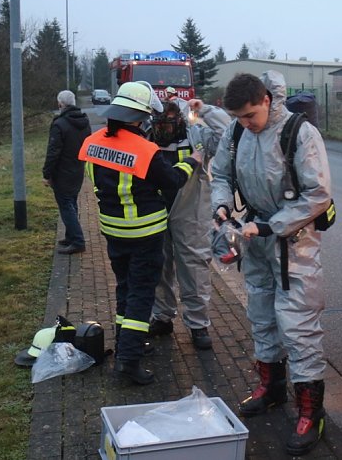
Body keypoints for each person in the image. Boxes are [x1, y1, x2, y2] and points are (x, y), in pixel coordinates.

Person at [210, 71, 332, 456]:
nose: (245, 124)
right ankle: (272, 387)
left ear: (265, 100)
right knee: (261, 314)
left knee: (298, 327)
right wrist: (221, 204)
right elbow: (220, 172)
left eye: (249, 115)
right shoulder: (235, 132)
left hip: (294, 242)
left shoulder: (300, 133)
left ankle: (312, 412)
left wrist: (270, 225)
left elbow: (319, 195)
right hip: (255, 236)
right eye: (238, 117)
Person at [78, 81, 202, 385]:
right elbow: (171, 181)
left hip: (112, 230)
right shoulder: (145, 150)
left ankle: (124, 346)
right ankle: (129, 361)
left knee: (124, 288)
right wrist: (191, 162)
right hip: (145, 233)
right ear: (138, 117)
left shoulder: (93, 142)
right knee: (141, 297)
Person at [145, 98, 231, 350]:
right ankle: (162, 316)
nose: (164, 129)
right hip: (156, 210)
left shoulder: (198, 136)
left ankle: (198, 324)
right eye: (160, 121)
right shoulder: (147, 136)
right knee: (158, 266)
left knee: (194, 269)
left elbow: (228, 134)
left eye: (169, 122)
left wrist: (204, 110)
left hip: (191, 212)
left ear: (180, 120)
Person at [43, 90, 91, 255]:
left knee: (66, 205)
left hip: (62, 172)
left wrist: (47, 173)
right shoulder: (85, 122)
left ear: (60, 104)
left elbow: (53, 151)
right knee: (71, 202)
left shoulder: (59, 124)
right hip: (78, 169)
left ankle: (77, 240)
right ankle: (71, 236)